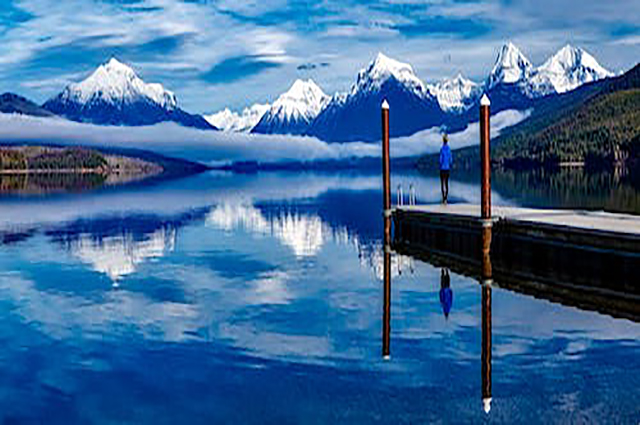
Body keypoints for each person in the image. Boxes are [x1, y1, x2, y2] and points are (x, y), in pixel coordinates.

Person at [439, 134, 452, 204]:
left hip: (442, 169)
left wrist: (441, 164)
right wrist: (449, 164)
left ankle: (443, 198)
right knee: (446, 184)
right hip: (447, 169)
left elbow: (440, 160)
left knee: (442, 184)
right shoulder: (449, 149)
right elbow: (451, 160)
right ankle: (445, 198)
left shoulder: (442, 149)